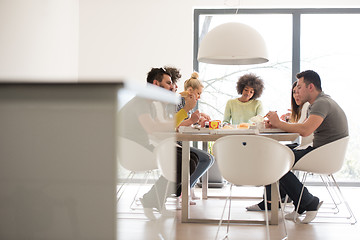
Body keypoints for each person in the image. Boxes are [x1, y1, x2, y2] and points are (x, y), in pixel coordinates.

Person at [247, 70, 348, 224]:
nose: (296, 91)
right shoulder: (321, 102)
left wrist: (279, 123)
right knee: (277, 156)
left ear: (311, 87)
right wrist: (277, 124)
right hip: (324, 151)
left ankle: (308, 201)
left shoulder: (321, 103)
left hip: (323, 154)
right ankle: (300, 203)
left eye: (299, 87)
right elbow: (303, 126)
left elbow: (306, 130)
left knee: (275, 161)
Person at [141, 67, 214, 216]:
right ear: (156, 84)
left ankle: (157, 198)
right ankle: (153, 198)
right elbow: (158, 129)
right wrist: (186, 111)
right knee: (186, 160)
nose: (174, 87)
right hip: (143, 147)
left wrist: (187, 114)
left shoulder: (160, 102)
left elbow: (167, 126)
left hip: (159, 142)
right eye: (169, 83)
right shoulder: (146, 102)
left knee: (191, 159)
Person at [281, 81, 313, 149]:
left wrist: (277, 123)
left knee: (280, 151)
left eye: (299, 92)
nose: (296, 95)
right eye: (294, 92)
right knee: (282, 148)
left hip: (309, 147)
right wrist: (290, 119)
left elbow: (299, 129)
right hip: (307, 146)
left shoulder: (307, 105)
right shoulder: (306, 107)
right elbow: (300, 124)